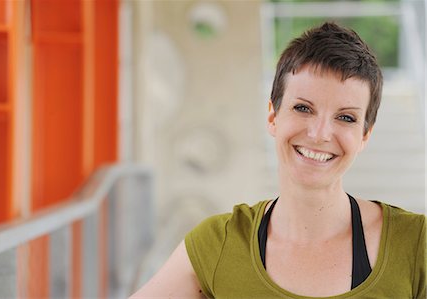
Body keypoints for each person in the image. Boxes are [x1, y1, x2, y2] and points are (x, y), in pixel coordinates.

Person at [130, 22, 426, 298]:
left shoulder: (415, 244)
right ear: (273, 116)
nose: (320, 133)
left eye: (345, 117)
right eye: (303, 108)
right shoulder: (218, 244)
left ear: (365, 135)